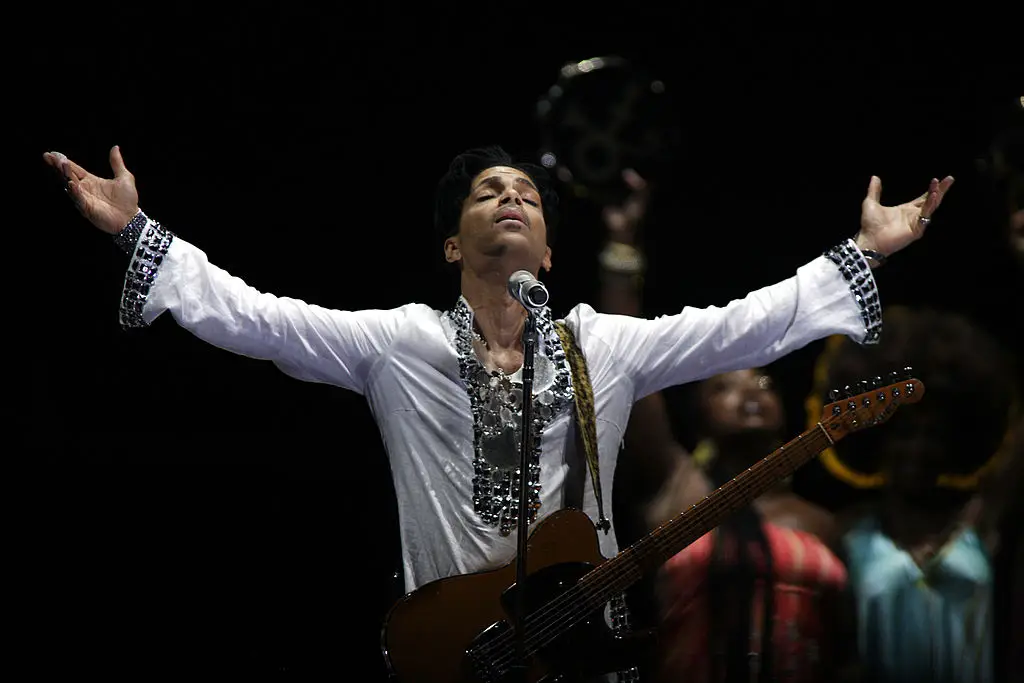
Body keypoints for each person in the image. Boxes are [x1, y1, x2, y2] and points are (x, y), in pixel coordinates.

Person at [43, 143, 951, 676]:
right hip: (453, 652)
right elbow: (260, 318)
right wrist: (136, 231)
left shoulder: (601, 343)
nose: (510, 198)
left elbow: (742, 328)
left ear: (550, 253)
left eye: (527, 194)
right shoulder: (398, 343)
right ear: (452, 242)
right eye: (488, 192)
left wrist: (860, 254)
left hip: (582, 654)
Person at [595, 171, 858, 683]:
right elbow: (623, 364)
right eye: (724, 387)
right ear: (698, 416)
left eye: (762, 383)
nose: (750, 393)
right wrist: (622, 245)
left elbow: (848, 656)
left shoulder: (823, 522)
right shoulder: (674, 489)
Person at [812, 306, 1020, 683]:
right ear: (878, 439)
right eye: (906, 434)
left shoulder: (978, 523)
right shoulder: (845, 534)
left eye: (934, 436)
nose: (918, 450)